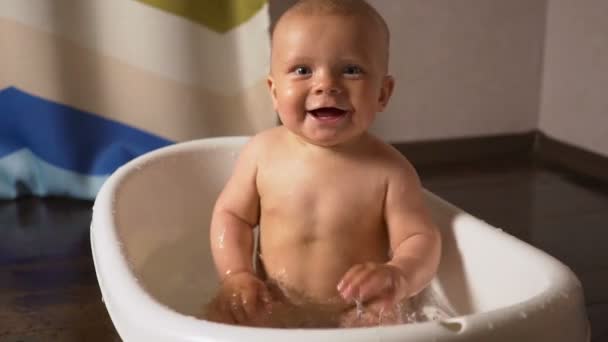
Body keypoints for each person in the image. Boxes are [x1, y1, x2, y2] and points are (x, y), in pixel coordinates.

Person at [205, 0, 441, 328]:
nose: (326, 84)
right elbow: (232, 217)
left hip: (355, 315)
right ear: (274, 91)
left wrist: (398, 276)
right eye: (302, 70)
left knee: (386, 324)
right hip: (272, 308)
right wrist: (236, 275)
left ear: (383, 93)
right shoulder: (261, 154)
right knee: (217, 318)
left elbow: (419, 239)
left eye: (351, 70)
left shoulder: (390, 172)